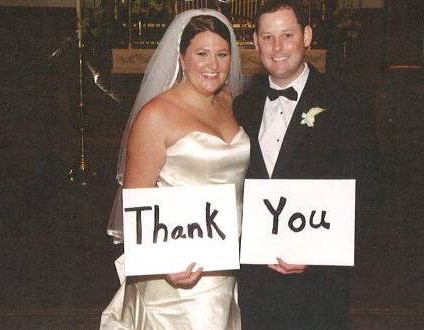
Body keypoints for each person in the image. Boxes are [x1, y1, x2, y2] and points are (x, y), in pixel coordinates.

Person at [100, 9, 249, 329]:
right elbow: (136, 200)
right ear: (182, 58)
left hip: (225, 261)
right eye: (202, 54)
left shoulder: (231, 101)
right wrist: (164, 263)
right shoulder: (156, 116)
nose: (213, 65)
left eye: (222, 54)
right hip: (177, 269)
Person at [234, 1, 372, 329]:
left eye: (287, 35)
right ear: (255, 42)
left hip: (319, 289)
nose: (277, 47)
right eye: (267, 37)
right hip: (256, 287)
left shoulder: (345, 101)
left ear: (307, 36)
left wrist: (317, 253)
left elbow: (369, 189)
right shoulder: (243, 107)